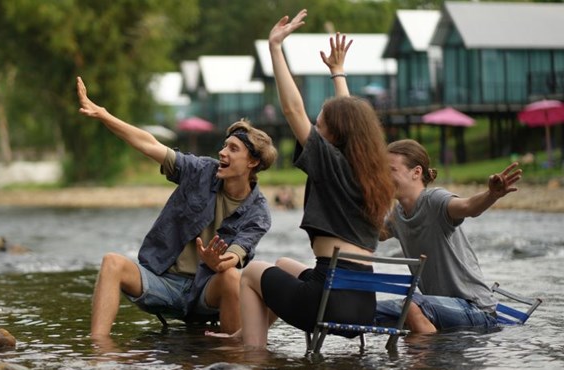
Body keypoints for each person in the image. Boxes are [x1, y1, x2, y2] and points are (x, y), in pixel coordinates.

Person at [208, 10, 395, 348]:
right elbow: (351, 120)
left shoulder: (331, 164)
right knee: (281, 264)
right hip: (361, 308)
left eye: (319, 126)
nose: (314, 131)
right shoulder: (370, 176)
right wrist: (338, 73)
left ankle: (252, 353)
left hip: (327, 302)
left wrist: (275, 48)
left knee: (251, 272)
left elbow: (293, 110)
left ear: (333, 138)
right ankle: (249, 330)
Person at [76, 76, 278, 339]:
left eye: (233, 148)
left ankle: (230, 358)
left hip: (206, 290)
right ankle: (99, 351)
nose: (222, 152)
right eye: (224, 145)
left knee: (231, 277)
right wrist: (104, 115)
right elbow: (150, 144)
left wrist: (217, 262)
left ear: (252, 162)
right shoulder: (201, 170)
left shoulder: (259, 212)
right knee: (112, 263)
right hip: (163, 282)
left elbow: (235, 256)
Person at [376, 139, 522, 333]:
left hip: (475, 308)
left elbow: (469, 206)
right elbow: (375, 233)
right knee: (366, 310)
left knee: (410, 306)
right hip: (435, 306)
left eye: (391, 170)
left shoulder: (434, 200)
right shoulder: (398, 215)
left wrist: (491, 194)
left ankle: (430, 360)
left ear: (416, 172)